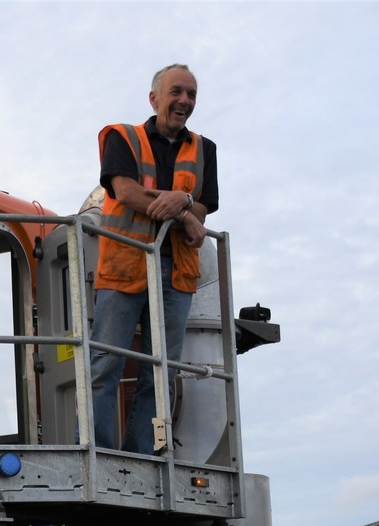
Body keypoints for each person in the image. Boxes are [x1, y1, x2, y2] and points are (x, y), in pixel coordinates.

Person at [90, 63, 220, 455]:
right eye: (176, 92)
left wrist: (185, 204)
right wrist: (182, 209)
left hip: (176, 272)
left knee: (161, 372)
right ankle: (100, 454)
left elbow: (204, 208)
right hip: (125, 266)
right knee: (106, 364)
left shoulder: (204, 149)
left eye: (192, 94)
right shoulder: (122, 138)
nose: (184, 101)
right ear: (154, 98)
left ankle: (142, 454)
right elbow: (126, 192)